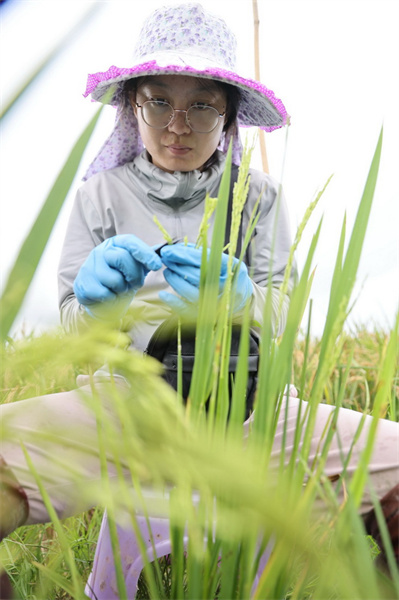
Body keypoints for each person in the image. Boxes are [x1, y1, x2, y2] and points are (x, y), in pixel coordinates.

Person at [0, 0, 398, 575]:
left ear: (229, 114)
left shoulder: (260, 196)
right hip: (123, 408)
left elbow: (285, 312)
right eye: (158, 101)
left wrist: (245, 301)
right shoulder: (98, 196)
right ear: (132, 106)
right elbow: (71, 326)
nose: (177, 126)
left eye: (202, 107)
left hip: (252, 412)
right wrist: (96, 304)